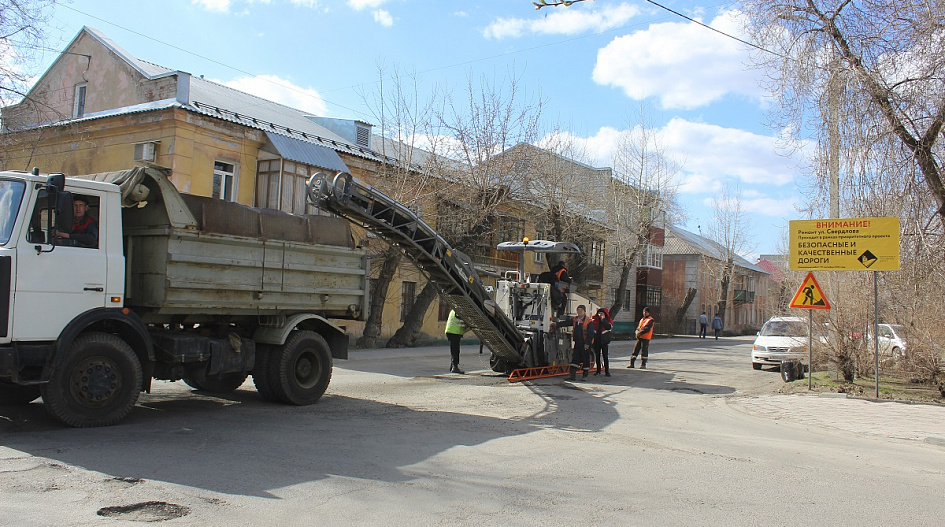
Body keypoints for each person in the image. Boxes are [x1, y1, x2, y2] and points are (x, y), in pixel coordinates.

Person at [569, 304, 593, 381]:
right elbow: (566, 323)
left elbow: (591, 334)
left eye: (581, 310)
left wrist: (587, 343)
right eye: (578, 310)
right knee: (575, 358)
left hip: (585, 343)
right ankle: (572, 376)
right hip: (577, 343)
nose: (579, 311)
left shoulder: (589, 321)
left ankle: (585, 375)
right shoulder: (575, 320)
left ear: (584, 311)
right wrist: (556, 324)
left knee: (585, 359)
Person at [445, 309, 468, 374]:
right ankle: (455, 367)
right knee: (455, 350)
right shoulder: (458, 310)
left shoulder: (454, 309)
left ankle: (452, 366)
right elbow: (461, 317)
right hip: (454, 332)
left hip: (452, 331)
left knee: (454, 349)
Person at [592, 307, 613, 377]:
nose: (600, 315)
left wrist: (603, 320)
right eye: (599, 313)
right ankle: (598, 370)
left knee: (605, 356)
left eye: (602, 313)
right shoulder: (595, 321)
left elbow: (608, 327)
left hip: (604, 341)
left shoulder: (608, 320)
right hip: (597, 341)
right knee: (597, 356)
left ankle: (607, 371)